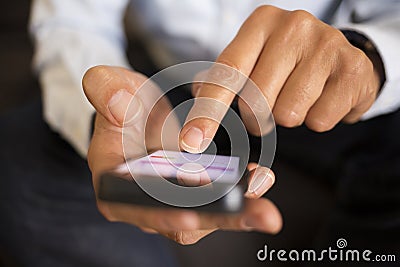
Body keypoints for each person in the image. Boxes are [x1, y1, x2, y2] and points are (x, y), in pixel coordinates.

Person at [26, 0, 400, 266]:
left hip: (330, 87)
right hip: (174, 93)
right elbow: (74, 21)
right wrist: (112, 110)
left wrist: (372, 56)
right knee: (25, 155)